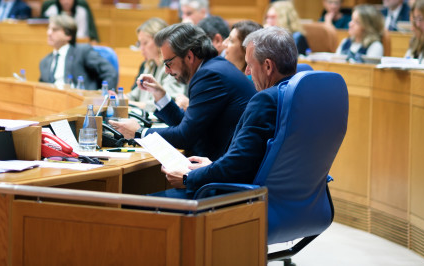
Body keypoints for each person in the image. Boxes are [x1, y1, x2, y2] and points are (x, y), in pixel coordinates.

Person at [158, 26, 297, 197]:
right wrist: (212, 165)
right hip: (293, 196)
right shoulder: (298, 93)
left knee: (134, 207)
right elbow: (246, 159)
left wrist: (189, 178)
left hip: (237, 196)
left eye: (250, 65)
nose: (247, 72)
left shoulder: (266, 100)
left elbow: (236, 167)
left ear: (268, 66)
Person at [110, 23, 256, 161]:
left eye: (169, 63)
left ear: (189, 56)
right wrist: (160, 96)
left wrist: (140, 132)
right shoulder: (213, 68)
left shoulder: (210, 76)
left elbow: (185, 136)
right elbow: (189, 126)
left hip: (221, 176)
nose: (167, 71)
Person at [39, 15, 118, 89]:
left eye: (54, 30)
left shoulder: (83, 52)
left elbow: (110, 72)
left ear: (68, 35)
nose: (48, 33)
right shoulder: (45, 62)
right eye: (48, 29)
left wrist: (103, 94)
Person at [128, 18, 187, 112]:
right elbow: (135, 95)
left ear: (159, 42)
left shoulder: (171, 67)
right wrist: (119, 98)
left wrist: (130, 104)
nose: (141, 48)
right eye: (140, 43)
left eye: (145, 43)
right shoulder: (150, 64)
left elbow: (168, 102)